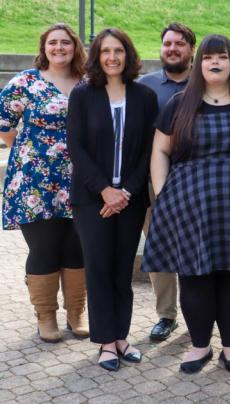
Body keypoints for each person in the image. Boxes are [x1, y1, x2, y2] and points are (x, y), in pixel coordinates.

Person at [141, 34, 230, 374]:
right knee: (194, 276)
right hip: (190, 209)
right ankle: (199, 346)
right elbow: (160, 150)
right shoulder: (180, 104)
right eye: (208, 57)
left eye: (221, 56)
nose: (214, 62)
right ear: (199, 63)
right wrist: (163, 195)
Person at [66, 28, 158, 371]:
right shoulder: (83, 95)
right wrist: (105, 189)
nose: (112, 57)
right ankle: (105, 341)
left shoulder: (144, 97)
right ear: (96, 56)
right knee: (100, 268)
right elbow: (76, 147)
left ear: (128, 54)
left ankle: (121, 336)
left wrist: (127, 191)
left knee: (123, 271)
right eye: (105, 51)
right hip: (92, 199)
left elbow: (148, 151)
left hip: (130, 199)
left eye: (118, 50)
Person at [0, 23, 88, 343]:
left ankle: (76, 312)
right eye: (53, 43)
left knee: (77, 246)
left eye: (66, 42)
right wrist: (29, 151)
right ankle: (46, 317)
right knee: (45, 247)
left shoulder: (88, 82)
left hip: (81, 180)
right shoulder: (26, 81)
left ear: (75, 47)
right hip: (34, 182)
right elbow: (5, 124)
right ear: (44, 47)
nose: (59, 48)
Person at [136, 22, 196, 343]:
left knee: (193, 250)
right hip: (150, 183)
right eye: (167, 43)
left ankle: (196, 314)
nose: (172, 48)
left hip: (193, 185)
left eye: (180, 44)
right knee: (158, 249)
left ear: (191, 50)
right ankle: (166, 315)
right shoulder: (144, 86)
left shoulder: (204, 85)